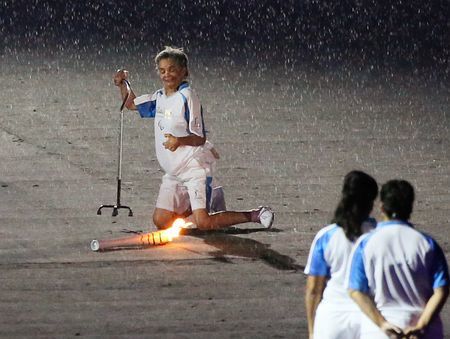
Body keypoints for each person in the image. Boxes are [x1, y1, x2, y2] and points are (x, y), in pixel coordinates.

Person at [113, 46, 274, 231]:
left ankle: (255, 214)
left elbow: (199, 138)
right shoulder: (159, 97)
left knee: (204, 223)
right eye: (163, 70)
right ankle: (199, 205)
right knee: (161, 221)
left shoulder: (188, 97)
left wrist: (179, 141)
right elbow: (131, 104)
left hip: (194, 168)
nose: (167, 75)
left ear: (184, 71)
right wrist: (123, 83)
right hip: (173, 173)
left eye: (172, 69)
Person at [348, 179, 449, 338]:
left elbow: (356, 291)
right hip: (424, 333)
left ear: (381, 207)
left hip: (379, 332)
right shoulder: (427, 244)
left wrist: (382, 323)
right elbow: (441, 290)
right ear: (410, 207)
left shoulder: (366, 244)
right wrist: (422, 324)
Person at [304, 170, 378, 339]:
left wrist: (311, 330)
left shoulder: (326, 237)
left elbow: (313, 290)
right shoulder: (378, 235)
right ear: (371, 203)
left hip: (332, 318)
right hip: (368, 317)